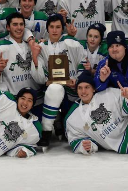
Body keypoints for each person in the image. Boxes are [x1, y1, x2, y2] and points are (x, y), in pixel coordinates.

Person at [30, 14, 86, 146]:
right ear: (47, 28)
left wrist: (76, 80)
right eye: (52, 27)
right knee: (55, 89)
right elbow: (39, 74)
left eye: (58, 27)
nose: (55, 30)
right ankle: (47, 131)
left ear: (62, 29)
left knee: (70, 132)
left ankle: (60, 121)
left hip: (72, 92)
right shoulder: (41, 47)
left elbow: (83, 62)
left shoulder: (72, 43)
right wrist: (45, 80)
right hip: (50, 90)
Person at [0, 12, 41, 95]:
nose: (19, 28)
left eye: (21, 24)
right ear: (8, 27)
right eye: (15, 24)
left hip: (34, 98)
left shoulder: (33, 45)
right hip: (11, 100)